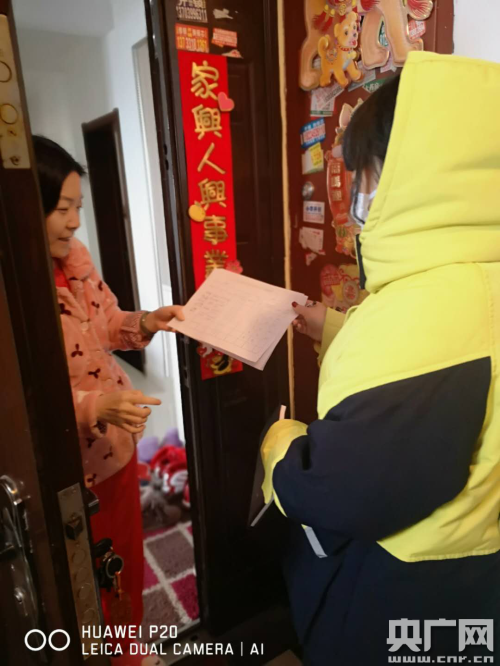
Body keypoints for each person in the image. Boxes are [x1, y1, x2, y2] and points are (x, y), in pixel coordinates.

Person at [261, 52, 500, 664]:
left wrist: (280, 447)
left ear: (417, 171)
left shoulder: (429, 305)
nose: (358, 198)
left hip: (414, 586)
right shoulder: (479, 278)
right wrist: (335, 326)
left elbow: (343, 492)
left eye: (366, 175)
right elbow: (456, 377)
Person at [33, 135, 183, 665]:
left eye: (78, 208)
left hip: (116, 450)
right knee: (82, 582)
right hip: (70, 469)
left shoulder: (76, 259)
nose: (74, 223)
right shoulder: (19, 287)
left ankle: (128, 651)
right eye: (62, 209)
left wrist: (148, 321)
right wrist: (92, 408)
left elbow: (108, 324)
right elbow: (28, 396)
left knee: (124, 563)